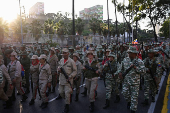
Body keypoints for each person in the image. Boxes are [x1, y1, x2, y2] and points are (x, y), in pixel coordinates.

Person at [117, 46, 145, 113]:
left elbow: (143, 71)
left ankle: (133, 110)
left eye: (131, 53)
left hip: (135, 83)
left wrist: (136, 68)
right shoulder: (125, 60)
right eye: (129, 53)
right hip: (126, 81)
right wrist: (120, 72)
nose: (129, 54)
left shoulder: (139, 61)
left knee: (134, 97)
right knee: (124, 93)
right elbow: (120, 68)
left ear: (135, 53)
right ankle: (129, 101)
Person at [57, 48, 77, 113]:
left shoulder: (71, 61)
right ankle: (67, 100)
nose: (64, 54)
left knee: (67, 93)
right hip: (61, 79)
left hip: (68, 80)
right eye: (63, 53)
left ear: (68, 53)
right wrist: (58, 70)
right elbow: (59, 67)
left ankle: (67, 105)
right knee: (61, 92)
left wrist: (70, 76)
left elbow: (75, 71)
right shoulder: (61, 60)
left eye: (65, 53)